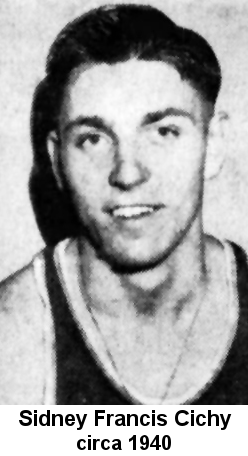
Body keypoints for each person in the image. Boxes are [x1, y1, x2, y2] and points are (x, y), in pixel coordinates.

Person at [0, 3, 247, 405]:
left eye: (164, 132)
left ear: (214, 144)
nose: (127, 174)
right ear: (57, 160)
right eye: (93, 139)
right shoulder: (14, 343)